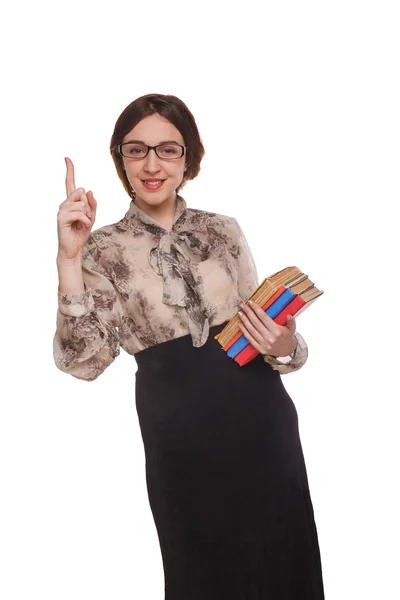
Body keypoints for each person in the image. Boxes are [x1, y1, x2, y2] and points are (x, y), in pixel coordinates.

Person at [53, 93, 325, 599]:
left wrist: (287, 342)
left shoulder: (223, 230)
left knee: (285, 566)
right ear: (121, 160)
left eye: (168, 150)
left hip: (262, 422)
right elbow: (82, 362)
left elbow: (267, 328)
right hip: (179, 436)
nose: (152, 165)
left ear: (189, 159)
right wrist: (68, 260)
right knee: (200, 571)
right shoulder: (99, 248)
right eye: (136, 151)